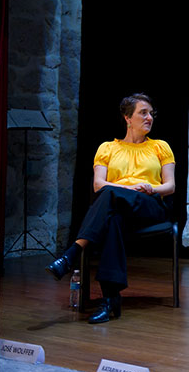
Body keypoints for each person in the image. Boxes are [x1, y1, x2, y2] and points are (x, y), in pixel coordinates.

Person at [46, 93, 176, 324]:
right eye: (143, 113)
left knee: (109, 195)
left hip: (149, 205)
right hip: (119, 208)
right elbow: (98, 184)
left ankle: (72, 254)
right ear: (128, 118)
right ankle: (109, 299)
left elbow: (170, 186)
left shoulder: (160, 147)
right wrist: (127, 188)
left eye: (151, 113)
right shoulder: (107, 148)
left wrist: (150, 188)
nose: (149, 117)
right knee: (113, 218)